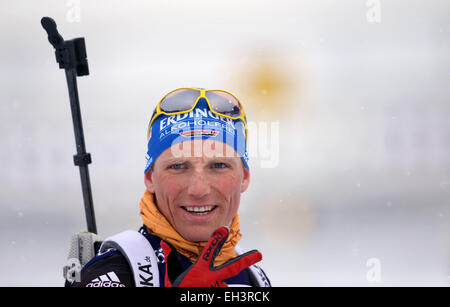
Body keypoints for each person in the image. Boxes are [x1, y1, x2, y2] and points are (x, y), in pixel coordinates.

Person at [67, 87, 271, 287]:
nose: (199, 190)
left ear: (244, 177)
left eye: (218, 165)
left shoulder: (252, 276)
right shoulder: (114, 273)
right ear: (150, 178)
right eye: (178, 166)